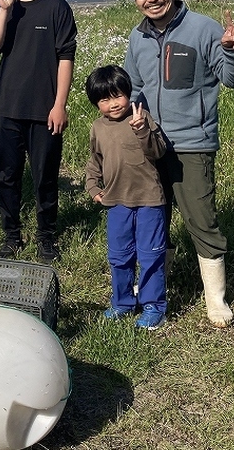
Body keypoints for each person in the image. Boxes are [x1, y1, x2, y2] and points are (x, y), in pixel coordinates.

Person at [123, 0, 234, 328]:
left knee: (201, 219)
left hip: (193, 143)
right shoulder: (137, 36)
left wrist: (233, 49)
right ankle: (151, 288)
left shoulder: (203, 28)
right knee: (150, 220)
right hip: (149, 142)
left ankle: (216, 299)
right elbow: (133, 87)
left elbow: (233, 80)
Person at [0, 0, 77, 262]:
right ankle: (12, 234)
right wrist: (5, 10)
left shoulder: (57, 8)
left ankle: (46, 237)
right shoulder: (3, 7)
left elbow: (66, 57)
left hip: (45, 108)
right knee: (5, 175)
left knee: (45, 176)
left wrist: (59, 105)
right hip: (7, 105)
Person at [84, 65, 168, 330]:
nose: (113, 104)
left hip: (150, 200)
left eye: (118, 95)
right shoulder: (98, 128)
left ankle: (154, 306)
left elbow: (159, 151)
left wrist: (143, 129)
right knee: (119, 256)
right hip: (117, 201)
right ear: (96, 104)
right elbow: (95, 161)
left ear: (128, 94)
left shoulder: (141, 117)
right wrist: (93, 188)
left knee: (151, 254)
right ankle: (122, 303)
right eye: (104, 99)